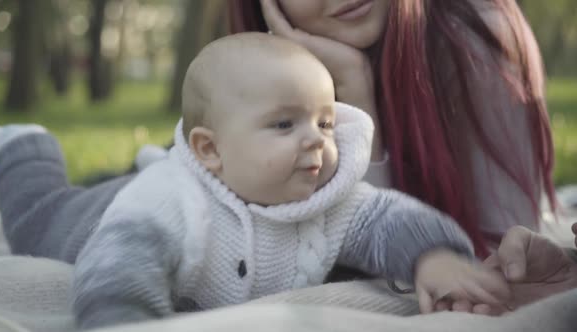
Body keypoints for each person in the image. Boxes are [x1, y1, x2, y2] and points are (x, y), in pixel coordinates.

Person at [0, 33, 510, 329]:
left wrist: (434, 258)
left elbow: (387, 219)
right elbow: (118, 267)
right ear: (210, 149)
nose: (315, 140)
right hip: (90, 220)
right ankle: (24, 145)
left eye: (324, 122)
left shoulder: (326, 198)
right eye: (285, 124)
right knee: (37, 216)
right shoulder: (168, 204)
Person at [228, 0, 557, 257]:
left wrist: (356, 102)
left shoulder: (475, 34)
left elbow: (512, 253)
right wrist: (353, 86)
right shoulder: (267, 72)